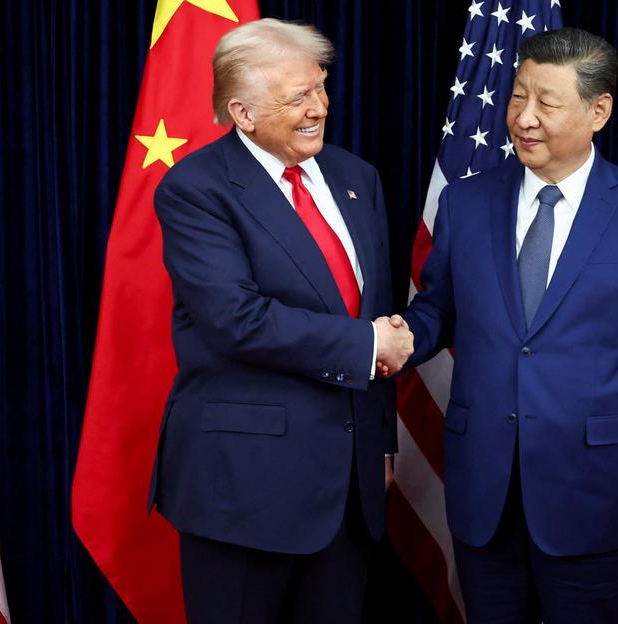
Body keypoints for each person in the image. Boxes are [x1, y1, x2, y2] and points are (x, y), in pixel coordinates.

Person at [398, 28, 618, 623]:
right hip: (484, 488)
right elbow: (438, 309)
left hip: (594, 492)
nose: (524, 118)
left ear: (599, 110)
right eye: (517, 97)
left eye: (547, 102)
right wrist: (399, 338)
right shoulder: (465, 202)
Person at [147, 18, 413, 623]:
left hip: (350, 485)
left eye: (320, 88)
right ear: (242, 112)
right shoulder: (196, 189)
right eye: (297, 97)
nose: (319, 106)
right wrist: (366, 342)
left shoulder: (356, 178)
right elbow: (233, 319)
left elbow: (371, 306)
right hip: (245, 486)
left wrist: (380, 440)